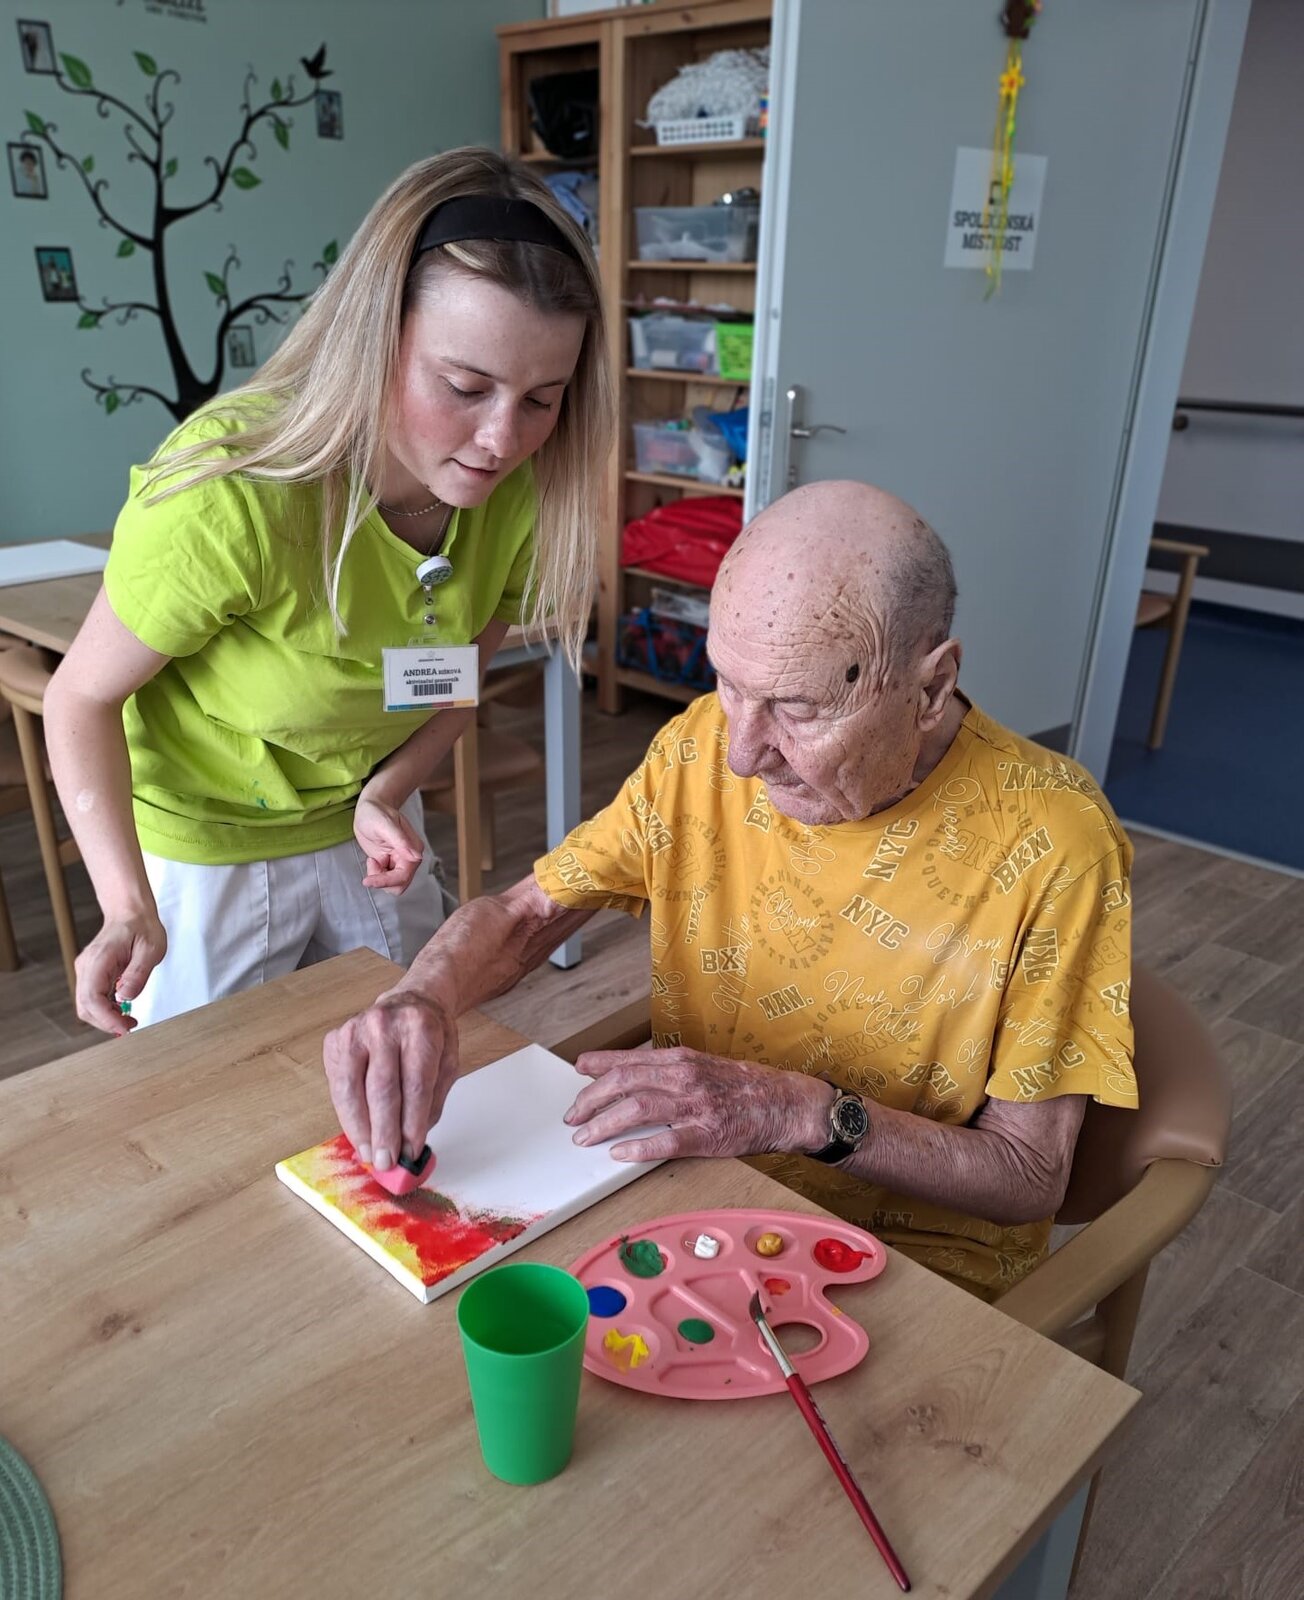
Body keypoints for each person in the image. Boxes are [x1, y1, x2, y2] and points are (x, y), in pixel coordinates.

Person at [322, 481, 1137, 1298]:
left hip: (909, 1268)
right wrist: (424, 995)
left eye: (797, 708)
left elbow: (1029, 1175)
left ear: (928, 689)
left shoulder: (1056, 840)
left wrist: (801, 1113)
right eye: (729, 684)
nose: (743, 754)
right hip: (696, 1194)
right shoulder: (699, 748)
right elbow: (525, 915)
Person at [46, 146, 611, 1037]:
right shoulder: (233, 491)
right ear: (373, 342)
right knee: (214, 1086)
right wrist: (125, 904)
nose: (502, 440)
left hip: (364, 823)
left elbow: (455, 681)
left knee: (412, 1052)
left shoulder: (525, 492)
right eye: (465, 387)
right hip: (207, 841)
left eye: (542, 399)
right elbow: (79, 699)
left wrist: (387, 792)